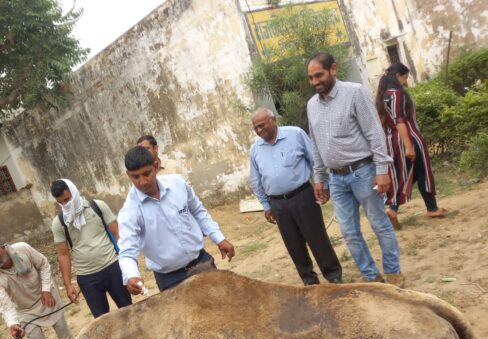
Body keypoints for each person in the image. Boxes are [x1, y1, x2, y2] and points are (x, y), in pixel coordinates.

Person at [306, 52, 403, 286]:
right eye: (310, 78)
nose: (315, 81)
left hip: (364, 172)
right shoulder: (311, 105)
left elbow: (374, 133)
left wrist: (382, 169)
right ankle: (371, 278)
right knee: (349, 232)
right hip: (336, 179)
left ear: (333, 69)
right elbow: (316, 144)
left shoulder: (355, 93)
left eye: (319, 75)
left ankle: (393, 273)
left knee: (379, 224)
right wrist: (319, 178)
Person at [118, 146, 236, 294]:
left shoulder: (177, 184)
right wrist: (132, 276)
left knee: (221, 309)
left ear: (155, 167)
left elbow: (198, 211)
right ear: (128, 175)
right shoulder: (130, 212)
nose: (142, 182)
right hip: (170, 280)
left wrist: (219, 238)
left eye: (146, 174)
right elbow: (127, 251)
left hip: (202, 263)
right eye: (136, 177)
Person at [249, 108, 342, 285]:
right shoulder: (255, 150)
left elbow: (315, 161)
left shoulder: (295, 134)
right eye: (256, 128)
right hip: (278, 204)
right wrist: (266, 205)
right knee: (294, 245)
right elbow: (256, 180)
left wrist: (323, 184)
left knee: (317, 238)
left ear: (273, 120)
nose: (259, 131)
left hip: (303, 196)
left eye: (262, 126)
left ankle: (334, 276)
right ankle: (309, 281)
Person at [375, 62, 448, 230]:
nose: (405, 82)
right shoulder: (396, 94)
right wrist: (409, 145)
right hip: (409, 137)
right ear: (398, 76)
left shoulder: (383, 95)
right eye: (405, 77)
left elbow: (384, 122)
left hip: (393, 140)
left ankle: (396, 209)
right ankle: (431, 208)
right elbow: (400, 120)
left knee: (409, 174)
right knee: (422, 172)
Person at [0, 238, 73, 339]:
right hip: (25, 311)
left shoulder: (22, 249)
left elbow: (43, 265)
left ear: (2, 248)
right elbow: (5, 306)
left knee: (63, 332)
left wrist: (46, 289)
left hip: (47, 297)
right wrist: (13, 324)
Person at [50, 178, 132, 318]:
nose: (65, 204)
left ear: (74, 193)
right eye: (61, 202)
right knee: (101, 319)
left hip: (113, 267)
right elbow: (63, 255)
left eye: (67, 199)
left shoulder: (98, 206)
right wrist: (68, 285)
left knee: (128, 310)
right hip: (87, 277)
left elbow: (117, 233)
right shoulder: (59, 223)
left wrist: (126, 264)